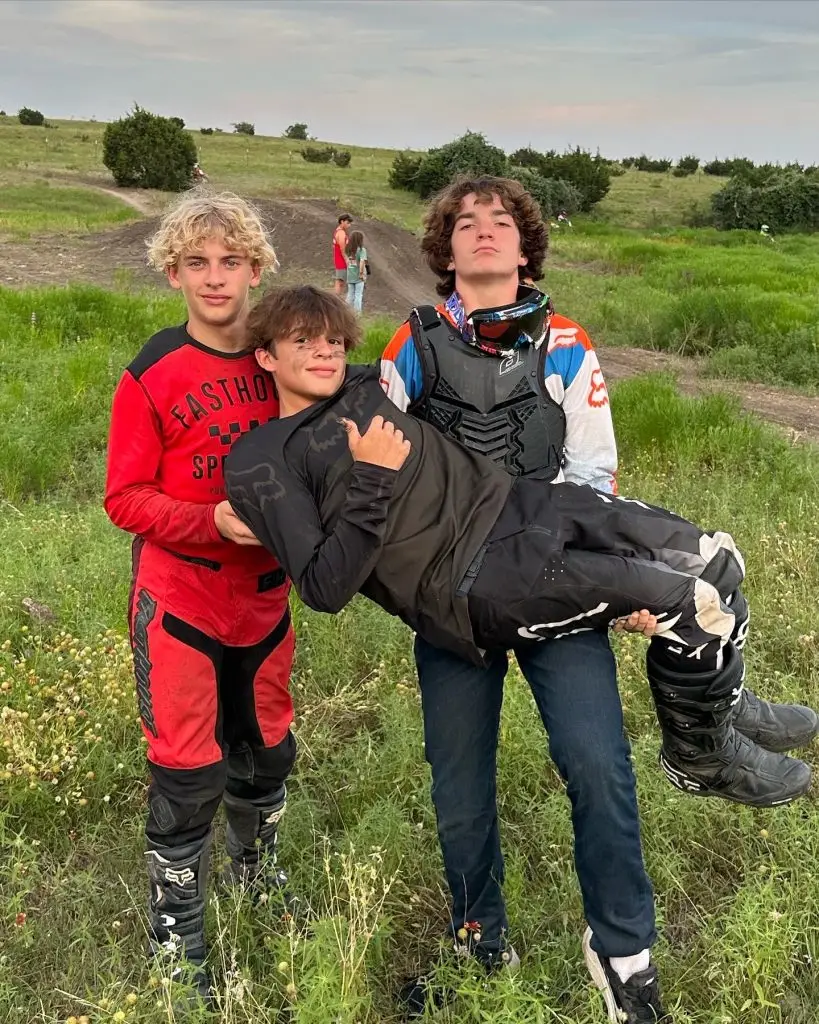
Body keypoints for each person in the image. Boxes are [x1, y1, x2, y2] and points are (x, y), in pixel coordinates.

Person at [225, 284, 816, 1024]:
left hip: (526, 505)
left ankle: (723, 708)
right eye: (302, 340)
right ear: (266, 354)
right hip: (475, 582)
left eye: (333, 340)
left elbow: (477, 343)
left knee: (715, 562)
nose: (322, 351)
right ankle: (695, 762)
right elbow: (321, 586)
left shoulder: (366, 386)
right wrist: (372, 476)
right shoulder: (259, 458)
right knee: (681, 609)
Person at [377, 175, 817, 1018]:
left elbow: (591, 475)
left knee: (597, 766)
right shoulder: (412, 343)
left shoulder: (566, 342)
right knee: (457, 783)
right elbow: (382, 464)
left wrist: (610, 584)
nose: (482, 234)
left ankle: (624, 957)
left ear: (523, 245)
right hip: (451, 596)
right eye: (464, 224)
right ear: (442, 248)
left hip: (549, 581)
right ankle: (479, 946)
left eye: (498, 222)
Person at [104, 191, 297, 1006]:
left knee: (266, 749)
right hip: (180, 598)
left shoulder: (284, 359)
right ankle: (175, 924)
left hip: (265, 603)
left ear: (257, 268)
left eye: (230, 261)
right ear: (172, 272)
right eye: (197, 263)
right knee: (188, 771)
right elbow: (124, 498)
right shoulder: (154, 371)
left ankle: (257, 874)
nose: (215, 279)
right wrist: (209, 519)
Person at [345, 229, 368, 313]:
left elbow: (347, 261)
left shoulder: (348, 249)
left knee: (350, 294)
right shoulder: (362, 250)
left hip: (350, 274)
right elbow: (362, 261)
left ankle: (346, 311)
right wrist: (361, 273)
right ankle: (357, 313)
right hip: (358, 275)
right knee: (358, 294)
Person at [333, 213, 353, 295]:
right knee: (340, 280)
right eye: (348, 223)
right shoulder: (341, 233)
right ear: (342, 222)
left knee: (342, 280)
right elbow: (342, 248)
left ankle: (338, 297)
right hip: (341, 259)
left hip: (340, 258)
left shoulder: (339, 231)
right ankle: (336, 297)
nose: (349, 225)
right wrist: (346, 259)